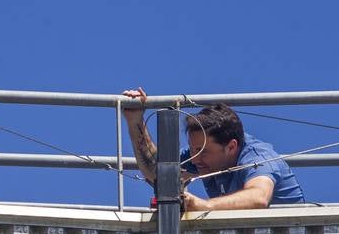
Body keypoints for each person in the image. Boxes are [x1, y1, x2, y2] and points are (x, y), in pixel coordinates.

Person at [121, 88, 304, 210]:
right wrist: (135, 121)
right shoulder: (198, 156)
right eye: (193, 150)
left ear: (231, 147)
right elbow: (156, 171)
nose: (194, 159)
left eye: (202, 151)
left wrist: (204, 205)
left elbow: (259, 197)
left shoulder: (257, 155)